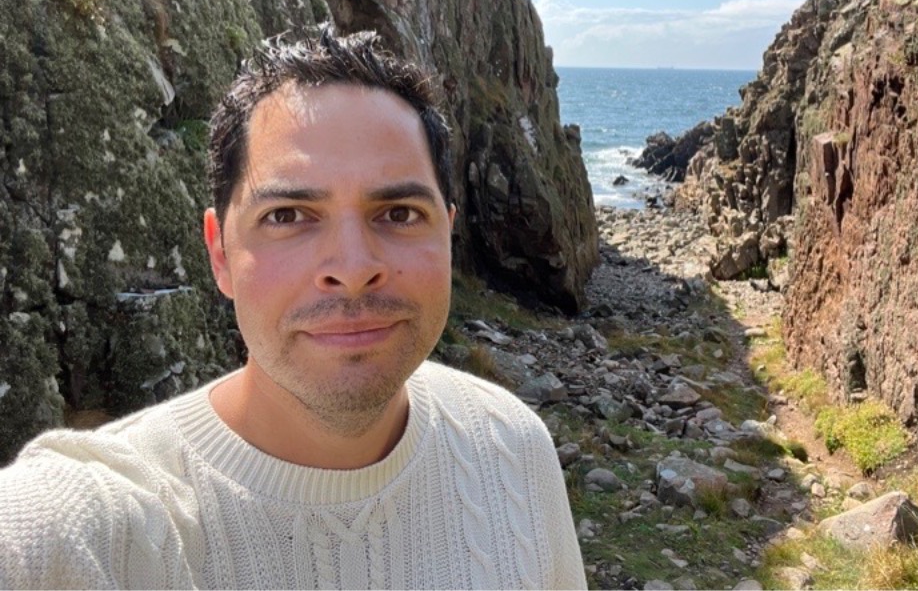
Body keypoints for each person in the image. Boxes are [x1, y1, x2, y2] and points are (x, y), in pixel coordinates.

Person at [0, 30, 586, 589]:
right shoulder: (88, 526)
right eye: (287, 216)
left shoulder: (513, 448)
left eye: (400, 213)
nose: (352, 267)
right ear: (220, 254)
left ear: (447, 236)